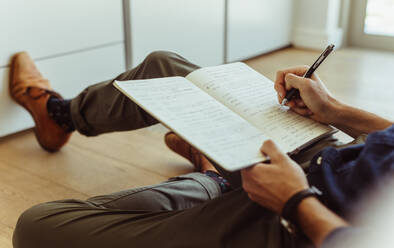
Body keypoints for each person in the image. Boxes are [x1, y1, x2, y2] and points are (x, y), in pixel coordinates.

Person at [9, 51, 393, 248]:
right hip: (337, 158)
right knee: (166, 67)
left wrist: (294, 200)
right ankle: (60, 118)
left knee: (36, 227)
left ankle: (214, 180)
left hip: (294, 224)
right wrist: (334, 110)